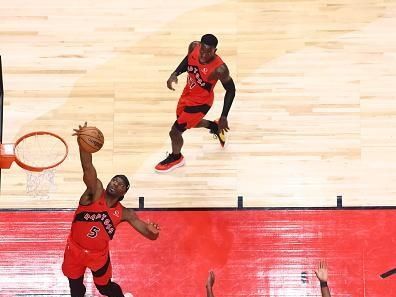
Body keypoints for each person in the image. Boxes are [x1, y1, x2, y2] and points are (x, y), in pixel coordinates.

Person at [62, 122, 160, 297]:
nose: (116, 183)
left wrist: (153, 233)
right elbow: (87, 167)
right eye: (115, 180)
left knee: (105, 288)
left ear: (124, 192)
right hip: (74, 250)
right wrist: (82, 144)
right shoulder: (94, 191)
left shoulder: (124, 213)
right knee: (75, 289)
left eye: (121, 184)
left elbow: (149, 233)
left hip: (98, 256)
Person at [155, 33, 236, 172]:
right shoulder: (194, 47)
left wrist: (224, 116)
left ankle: (176, 158)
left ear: (215, 51)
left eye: (208, 52)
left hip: (201, 103)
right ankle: (214, 126)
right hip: (187, 94)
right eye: (202, 50)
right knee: (185, 122)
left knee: (175, 132)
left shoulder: (220, 69)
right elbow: (188, 60)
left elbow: (231, 90)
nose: (204, 55)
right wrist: (175, 73)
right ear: (199, 46)